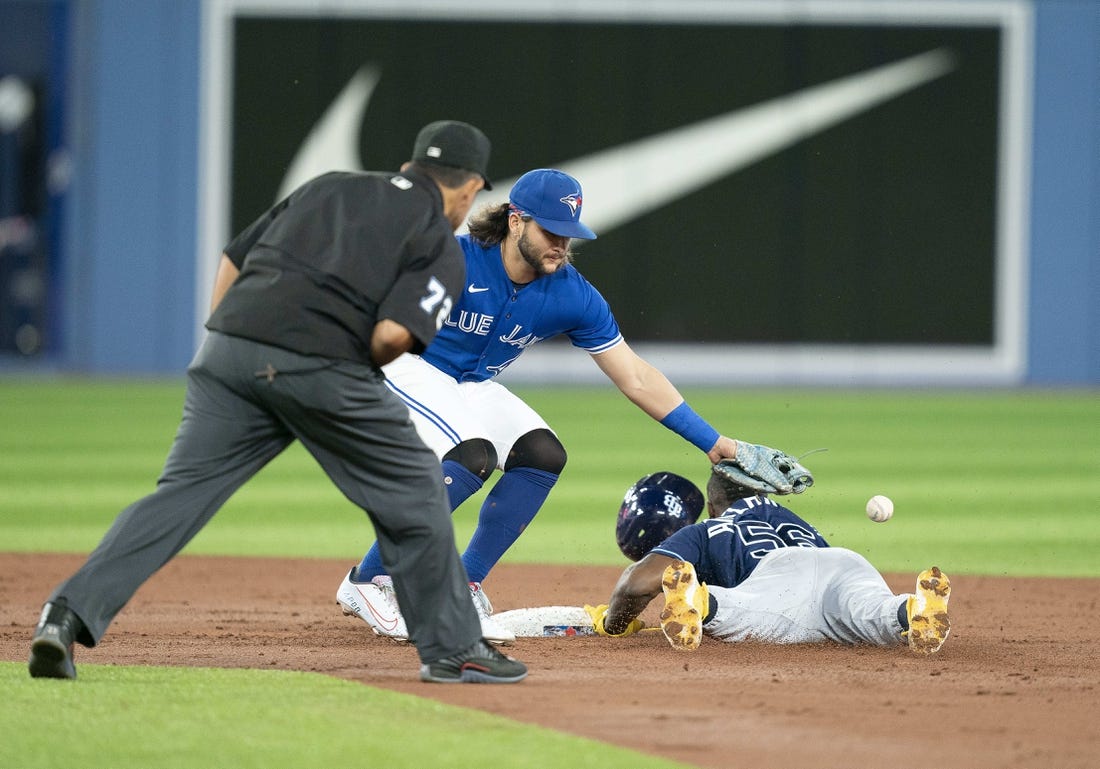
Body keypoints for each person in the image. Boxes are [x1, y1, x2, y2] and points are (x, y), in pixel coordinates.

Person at [28, 120, 528, 684]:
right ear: (468, 187)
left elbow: (235, 260)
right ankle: (454, 648)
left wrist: (230, 346)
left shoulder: (328, 186)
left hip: (227, 350)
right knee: (416, 482)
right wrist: (327, 372)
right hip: (322, 363)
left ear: (413, 164)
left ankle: (63, 617)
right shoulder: (440, 243)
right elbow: (390, 337)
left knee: (178, 497)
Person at [336, 167, 799, 644]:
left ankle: (464, 585)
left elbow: (635, 375)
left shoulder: (571, 294)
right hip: (402, 367)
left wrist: (715, 443)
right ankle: (370, 580)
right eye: (550, 231)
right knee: (472, 455)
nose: (561, 243)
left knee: (542, 454)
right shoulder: (455, 257)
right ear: (516, 221)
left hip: (469, 383)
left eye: (569, 233)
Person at [585, 467, 952, 655]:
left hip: (778, 578)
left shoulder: (709, 528)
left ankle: (699, 601)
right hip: (842, 561)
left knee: (746, 612)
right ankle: (912, 609)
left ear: (713, 506)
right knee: (869, 611)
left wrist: (614, 623)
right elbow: (818, 587)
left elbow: (638, 584)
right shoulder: (793, 520)